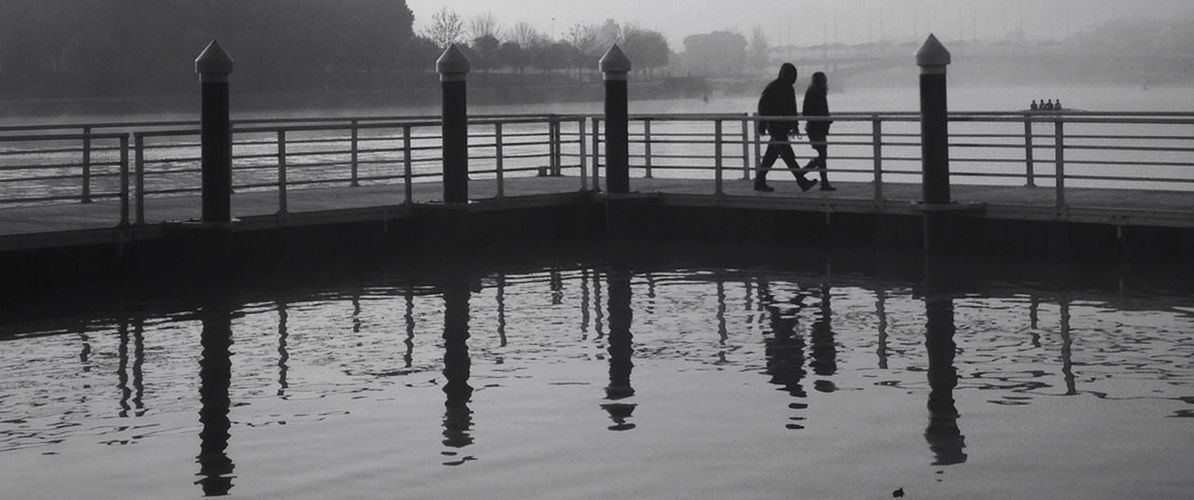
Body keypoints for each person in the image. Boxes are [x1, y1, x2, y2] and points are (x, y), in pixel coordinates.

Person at [755, 63, 818, 192]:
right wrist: (763, 122)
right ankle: (802, 182)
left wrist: (793, 124)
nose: (793, 78)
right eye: (792, 75)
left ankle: (759, 181)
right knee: (788, 155)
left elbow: (789, 108)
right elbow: (770, 106)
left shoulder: (780, 87)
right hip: (776, 126)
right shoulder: (779, 87)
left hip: (778, 126)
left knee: (771, 156)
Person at [802, 72, 835, 191]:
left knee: (822, 155)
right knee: (822, 155)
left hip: (817, 128)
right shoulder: (815, 93)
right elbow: (807, 111)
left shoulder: (817, 92)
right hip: (816, 128)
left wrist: (825, 119)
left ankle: (803, 173)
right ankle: (822, 181)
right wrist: (823, 118)